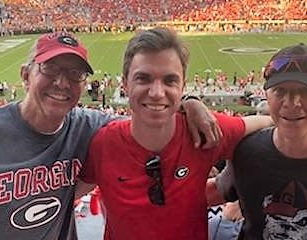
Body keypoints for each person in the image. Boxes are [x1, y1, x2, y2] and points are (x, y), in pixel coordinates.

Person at [0, 31, 219, 240]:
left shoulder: (88, 127)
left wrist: (189, 102)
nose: (61, 82)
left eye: (75, 73)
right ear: (25, 74)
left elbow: (147, 121)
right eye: (50, 68)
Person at [77, 27, 275, 240]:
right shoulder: (104, 144)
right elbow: (66, 194)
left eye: (169, 80)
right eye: (143, 78)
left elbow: (268, 121)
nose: (156, 92)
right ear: (125, 83)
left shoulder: (202, 131)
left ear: (182, 86)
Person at [209, 43, 307, 239]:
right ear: (266, 95)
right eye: (280, 91)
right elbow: (214, 191)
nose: (291, 103)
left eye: (306, 91)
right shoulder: (246, 152)